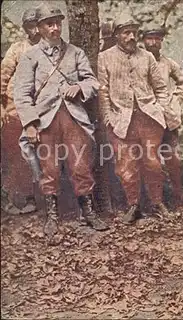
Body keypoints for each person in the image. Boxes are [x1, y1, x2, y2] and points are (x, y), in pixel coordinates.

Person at [14, 4, 109, 243]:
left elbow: (92, 82)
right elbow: (22, 94)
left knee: (81, 166)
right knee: (49, 169)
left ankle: (87, 211)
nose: (55, 28)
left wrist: (79, 87)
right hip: (45, 119)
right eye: (49, 24)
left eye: (58, 23)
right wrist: (30, 124)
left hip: (73, 117)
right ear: (39, 27)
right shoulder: (30, 56)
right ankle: (52, 216)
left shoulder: (75, 52)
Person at [98, 14, 176, 224]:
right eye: (126, 32)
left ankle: (157, 203)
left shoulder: (147, 57)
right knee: (126, 166)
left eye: (134, 32)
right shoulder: (105, 57)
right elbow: (103, 92)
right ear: (116, 35)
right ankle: (134, 205)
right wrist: (108, 118)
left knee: (153, 163)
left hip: (148, 118)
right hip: (121, 120)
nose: (131, 36)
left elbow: (160, 87)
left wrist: (161, 108)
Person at [142, 24, 183, 209]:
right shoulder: (139, 61)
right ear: (143, 40)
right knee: (149, 159)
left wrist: (175, 101)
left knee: (173, 158)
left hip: (166, 118)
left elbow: (182, 82)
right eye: (149, 38)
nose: (153, 42)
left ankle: (178, 192)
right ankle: (154, 199)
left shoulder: (168, 63)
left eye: (157, 39)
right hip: (146, 119)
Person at [1, 8, 41, 215]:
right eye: (30, 25)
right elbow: (3, 77)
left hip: (40, 109)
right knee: (17, 154)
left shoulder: (50, 49)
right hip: (15, 108)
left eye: (37, 24)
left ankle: (41, 196)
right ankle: (18, 198)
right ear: (25, 27)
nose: (35, 30)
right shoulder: (17, 49)